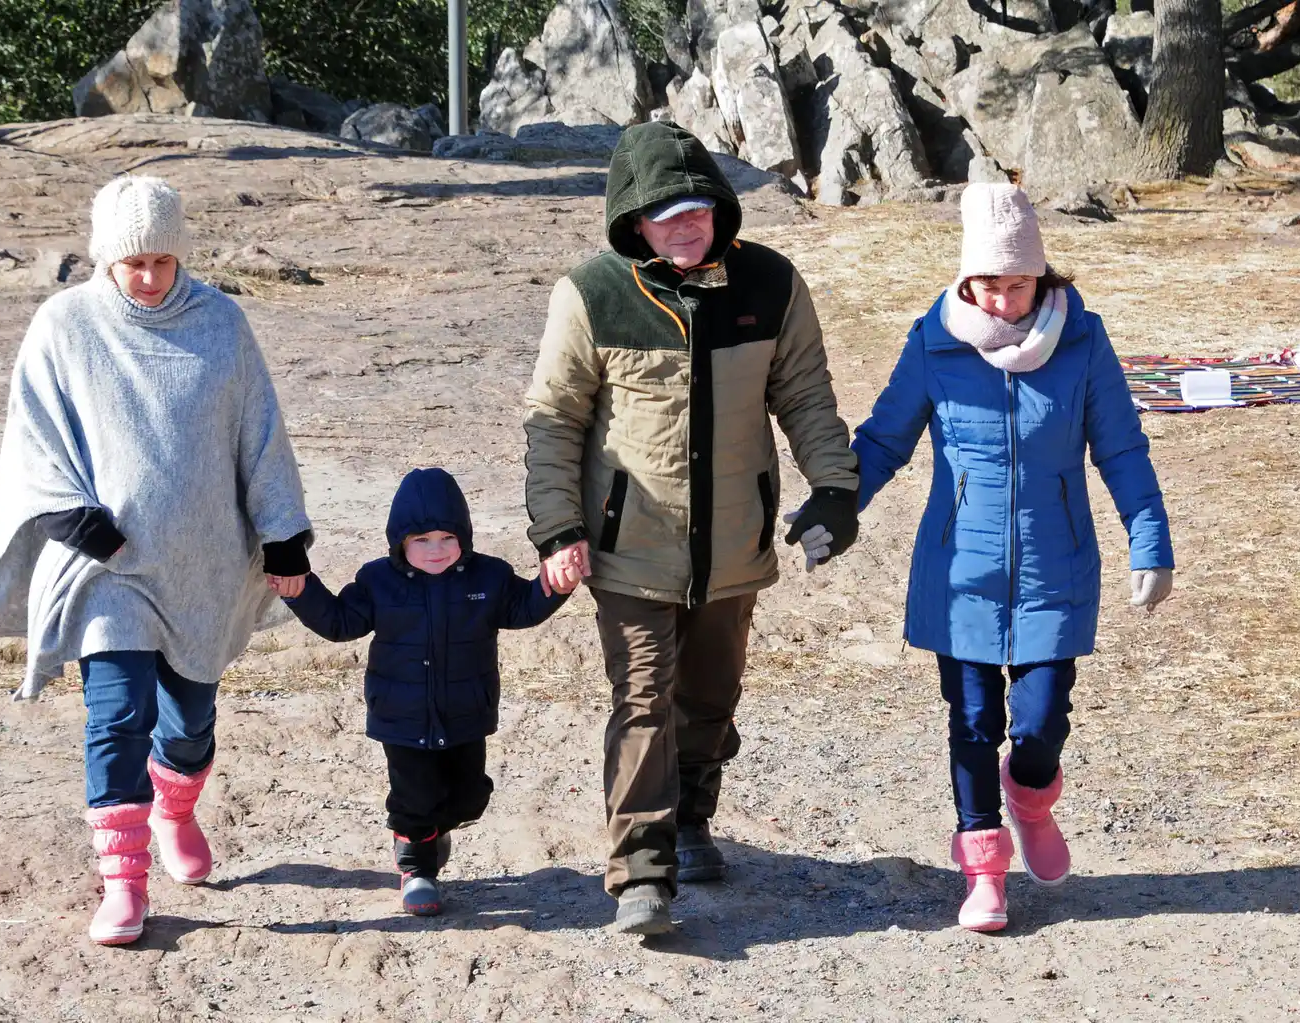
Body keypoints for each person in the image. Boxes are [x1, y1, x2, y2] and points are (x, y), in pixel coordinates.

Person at [0, 176, 313, 946]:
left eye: (163, 260)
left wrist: (284, 536)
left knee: (188, 722)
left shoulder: (222, 323)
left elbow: (260, 433)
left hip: (202, 563)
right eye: (134, 262)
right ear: (106, 258)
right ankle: (124, 883)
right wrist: (75, 520)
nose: (150, 276)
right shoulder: (66, 325)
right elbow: (32, 433)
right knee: (118, 714)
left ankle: (175, 806)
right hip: (108, 566)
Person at [523, 121, 860, 935]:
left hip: (734, 543)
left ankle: (692, 817)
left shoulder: (771, 283)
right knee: (643, 700)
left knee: (710, 693)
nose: (686, 226)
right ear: (634, 220)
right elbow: (554, 419)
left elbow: (805, 395)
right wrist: (559, 526)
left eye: (699, 209)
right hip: (629, 547)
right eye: (666, 214)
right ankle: (641, 872)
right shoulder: (591, 294)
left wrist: (834, 489)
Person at [852, 183, 1175, 932]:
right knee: (970, 721)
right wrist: (836, 505)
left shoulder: (1082, 343)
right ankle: (984, 870)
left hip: (1053, 567)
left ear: (1042, 277)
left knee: (1040, 722)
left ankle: (1031, 798)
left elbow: (1121, 448)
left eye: (1019, 284)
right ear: (967, 278)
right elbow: (884, 439)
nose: (1002, 301)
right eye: (988, 284)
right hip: (959, 569)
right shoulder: (934, 342)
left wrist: (1150, 538)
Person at [278, 467, 567, 916]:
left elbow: (524, 609)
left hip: (466, 712)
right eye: (422, 540)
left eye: (447, 538)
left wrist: (557, 586)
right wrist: (301, 592)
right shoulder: (378, 580)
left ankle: (434, 830)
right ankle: (417, 870)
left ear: (464, 536)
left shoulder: (488, 577)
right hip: (401, 716)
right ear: (399, 542)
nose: (436, 550)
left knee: (469, 797)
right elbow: (340, 622)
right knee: (414, 799)